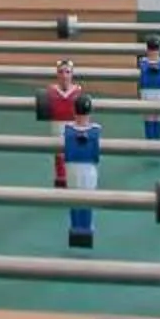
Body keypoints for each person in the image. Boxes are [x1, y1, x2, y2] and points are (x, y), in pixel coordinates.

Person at [59, 94, 103, 250]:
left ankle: (78, 231)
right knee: (83, 201)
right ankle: (84, 231)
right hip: (86, 170)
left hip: (75, 169)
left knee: (76, 201)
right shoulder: (96, 130)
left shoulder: (67, 130)